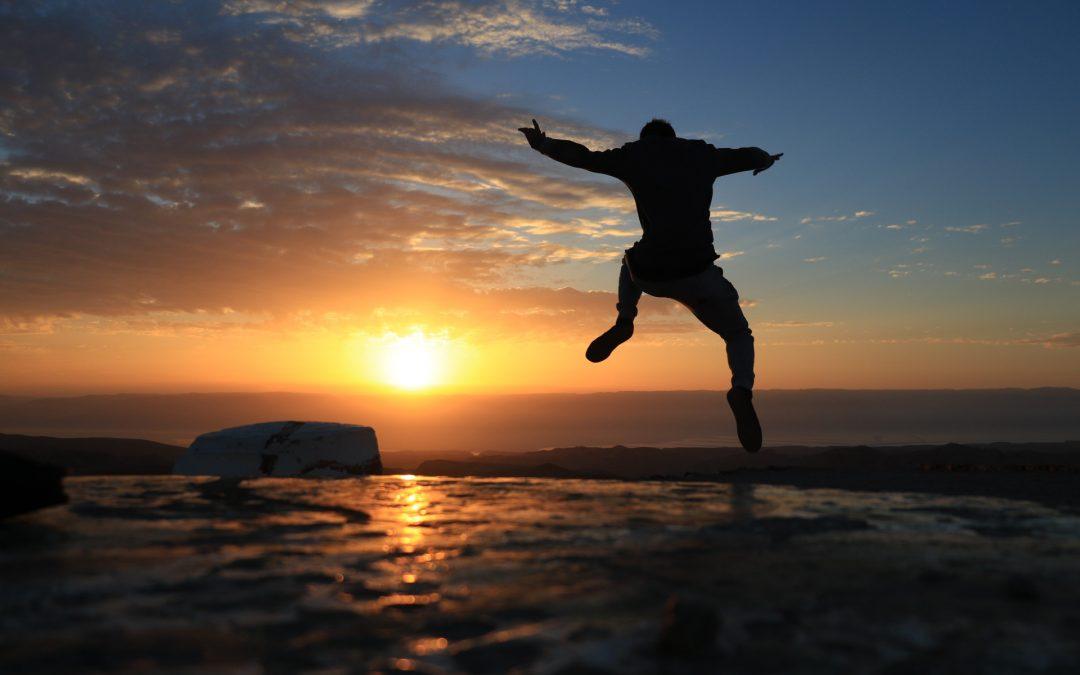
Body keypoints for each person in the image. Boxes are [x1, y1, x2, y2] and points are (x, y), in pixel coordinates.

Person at [519, 117, 782, 452]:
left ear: (646, 138)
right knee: (737, 334)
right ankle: (741, 389)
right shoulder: (703, 155)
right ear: (673, 136)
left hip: (650, 272)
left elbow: (584, 157)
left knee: (629, 258)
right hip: (698, 273)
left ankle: (625, 320)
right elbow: (749, 154)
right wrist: (766, 160)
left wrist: (543, 144)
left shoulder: (632, 156)